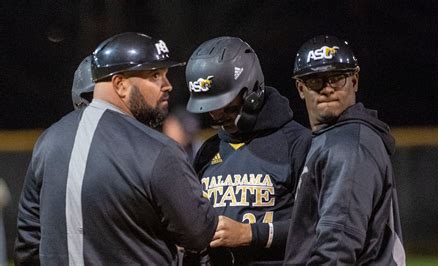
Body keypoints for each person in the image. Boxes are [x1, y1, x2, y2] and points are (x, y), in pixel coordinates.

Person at [14, 32, 218, 265]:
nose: (168, 85)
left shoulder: (48, 142)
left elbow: (29, 244)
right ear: (120, 85)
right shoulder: (158, 150)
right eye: (155, 75)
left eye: (165, 74)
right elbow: (200, 233)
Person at [185, 36, 312, 265]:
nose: (218, 116)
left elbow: (318, 225)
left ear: (252, 90)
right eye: (212, 108)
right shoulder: (208, 151)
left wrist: (250, 233)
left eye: (226, 105)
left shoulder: (298, 143)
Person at [284, 35, 405, 265]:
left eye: (337, 78)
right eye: (315, 80)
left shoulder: (347, 145)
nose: (327, 88)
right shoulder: (334, 138)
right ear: (300, 87)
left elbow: (337, 245)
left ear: (355, 80)